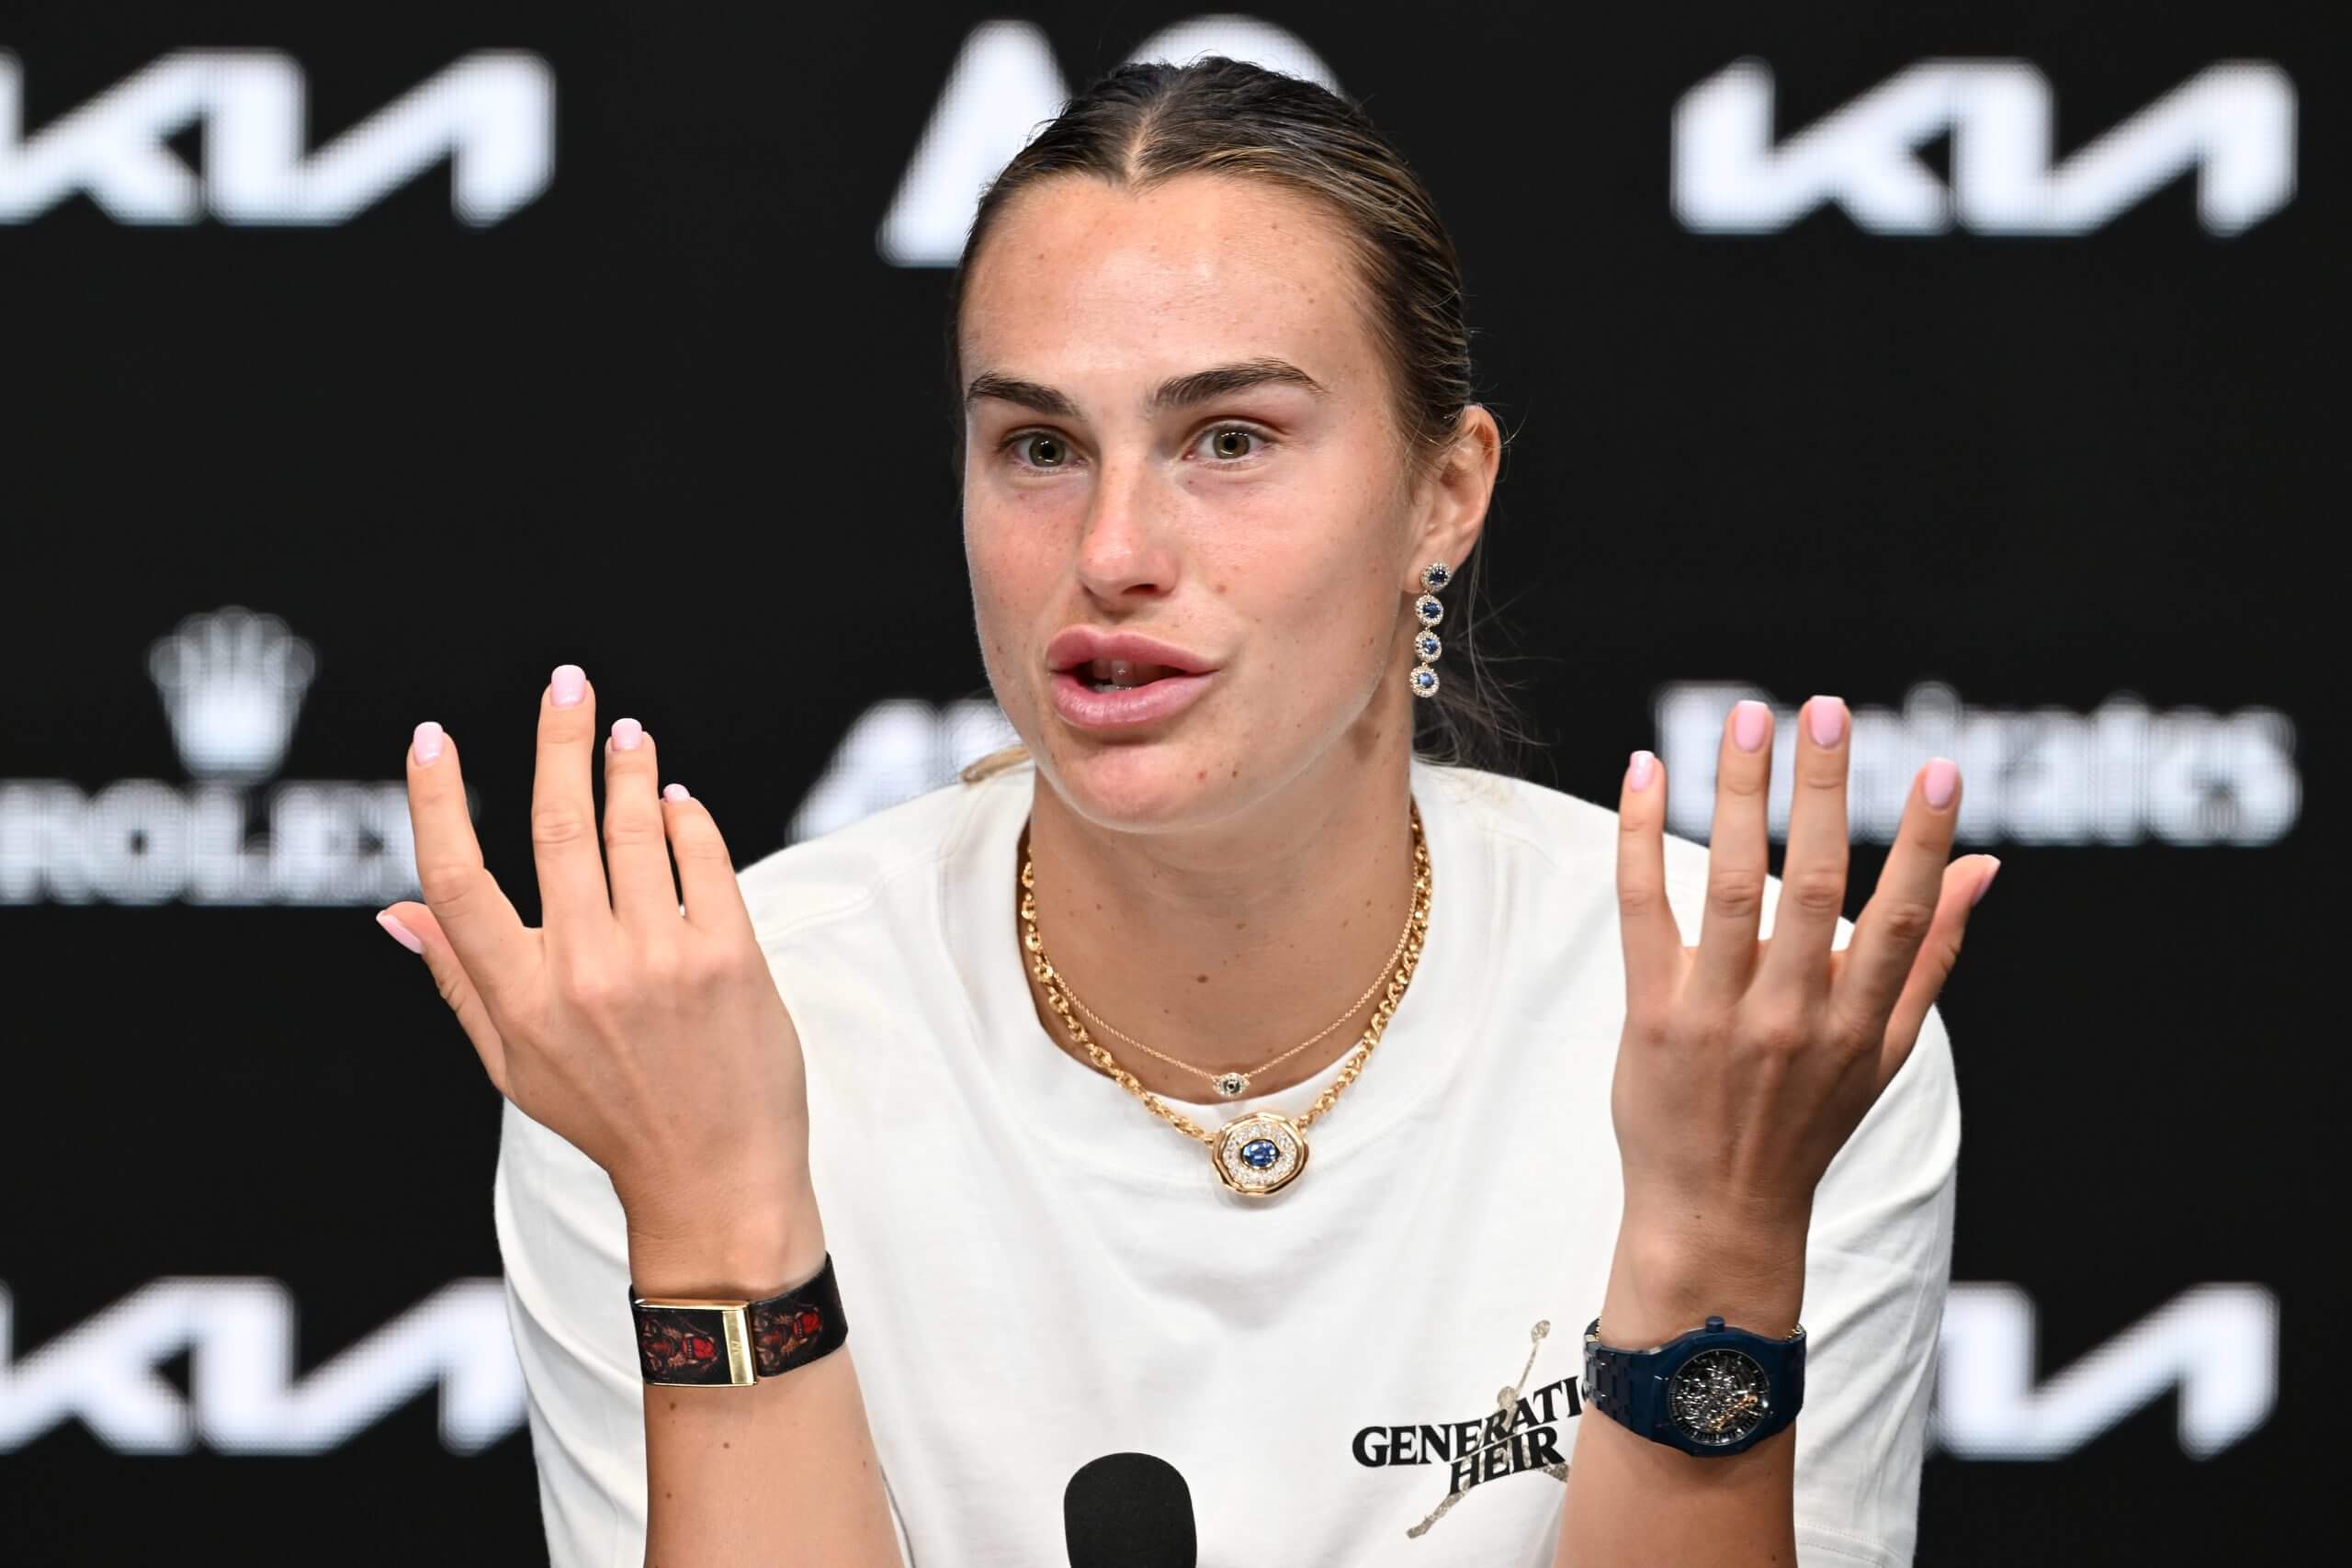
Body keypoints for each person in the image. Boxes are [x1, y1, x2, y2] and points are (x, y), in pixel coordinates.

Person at [376, 56, 1987, 1568]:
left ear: (1448, 492)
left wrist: (1712, 1247)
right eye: (1037, 445)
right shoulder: (694, 1033)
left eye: (1229, 439)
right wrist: (721, 1218)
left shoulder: (1763, 1022)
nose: (1113, 550)